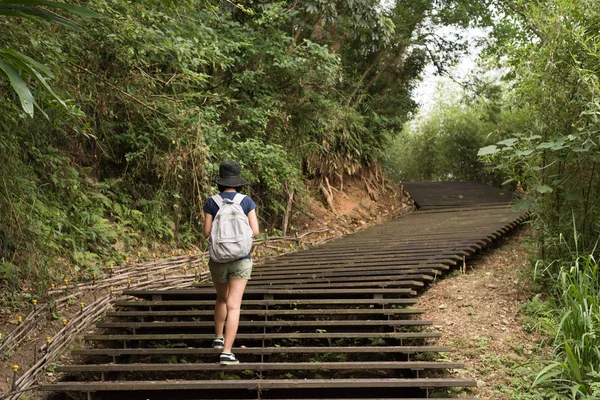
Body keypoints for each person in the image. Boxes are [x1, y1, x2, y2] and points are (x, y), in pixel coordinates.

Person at [203, 160, 259, 365]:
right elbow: (255, 231)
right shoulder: (246, 201)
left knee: (222, 299)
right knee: (234, 306)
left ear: (220, 181)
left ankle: (218, 339)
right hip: (241, 259)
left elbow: (207, 232)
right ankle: (227, 352)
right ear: (238, 181)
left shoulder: (211, 202)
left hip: (218, 259)